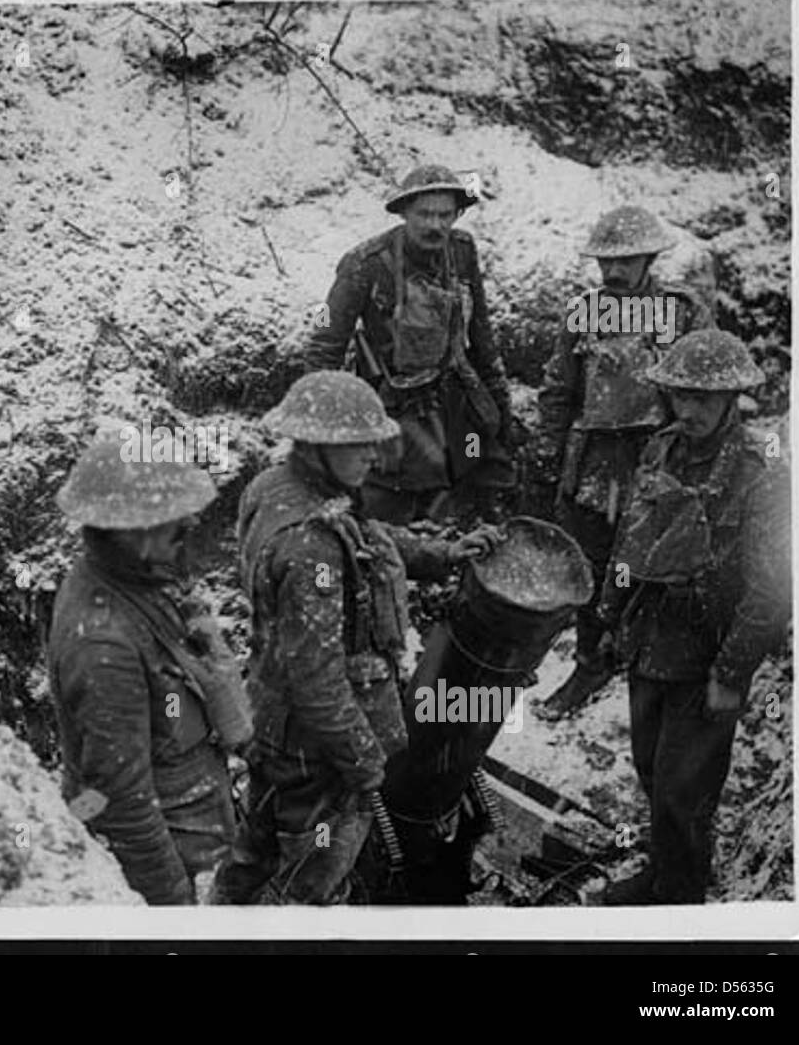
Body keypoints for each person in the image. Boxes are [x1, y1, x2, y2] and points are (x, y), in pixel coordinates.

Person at [213, 371, 500, 905]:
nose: (376, 453)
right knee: (316, 880)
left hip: (278, 729)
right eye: (359, 443)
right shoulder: (310, 547)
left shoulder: (284, 489)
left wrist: (440, 554)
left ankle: (217, 926)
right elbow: (317, 680)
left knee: (255, 851)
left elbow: (363, 541)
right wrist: (365, 762)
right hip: (319, 750)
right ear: (319, 446)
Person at [596, 330, 790, 905]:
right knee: (652, 769)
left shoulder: (760, 471)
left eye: (706, 397)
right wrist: (610, 615)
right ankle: (663, 872)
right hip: (649, 638)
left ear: (732, 399)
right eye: (682, 394)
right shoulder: (659, 450)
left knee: (685, 790)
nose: (691, 409)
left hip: (707, 649)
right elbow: (631, 541)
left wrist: (731, 673)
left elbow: (771, 588)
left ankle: (679, 900)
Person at [47, 429, 247, 905]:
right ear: (132, 531)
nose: (191, 524)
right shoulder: (104, 644)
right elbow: (122, 799)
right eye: (174, 521)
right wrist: (172, 907)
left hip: (197, 818)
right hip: (176, 853)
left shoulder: (137, 580)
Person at [531, 206, 712, 720]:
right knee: (590, 558)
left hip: (657, 454)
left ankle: (638, 655)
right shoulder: (584, 311)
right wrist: (548, 450)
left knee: (650, 558)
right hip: (594, 457)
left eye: (627, 260)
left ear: (649, 258)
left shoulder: (681, 311)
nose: (615, 271)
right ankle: (591, 658)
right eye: (607, 261)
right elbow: (559, 388)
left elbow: (708, 387)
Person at [304, 164, 515, 525]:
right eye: (424, 214)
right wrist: (323, 425)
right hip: (395, 402)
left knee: (482, 474)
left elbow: (480, 328)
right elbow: (325, 341)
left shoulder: (462, 250)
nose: (436, 225)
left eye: (445, 215)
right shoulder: (364, 264)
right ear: (404, 213)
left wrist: (499, 397)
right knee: (393, 501)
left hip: (455, 392)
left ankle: (462, 552)